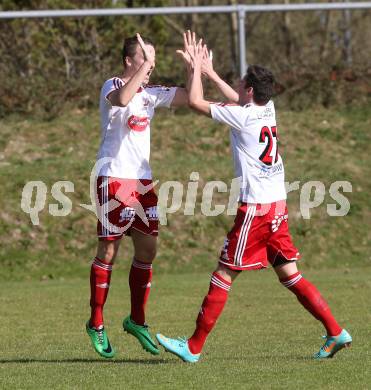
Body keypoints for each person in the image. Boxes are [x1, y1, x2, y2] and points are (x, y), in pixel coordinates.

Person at [156, 34, 352, 362]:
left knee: (223, 273)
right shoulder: (266, 108)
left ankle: (192, 347)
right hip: (277, 206)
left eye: (240, 81)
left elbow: (195, 102)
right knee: (290, 275)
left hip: (256, 210)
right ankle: (335, 332)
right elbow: (238, 99)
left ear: (249, 90)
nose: (237, 83)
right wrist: (213, 74)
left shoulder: (243, 117)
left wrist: (194, 71)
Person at [86, 33, 190, 358]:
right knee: (108, 252)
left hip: (142, 184)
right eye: (144, 58)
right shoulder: (112, 85)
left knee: (148, 250)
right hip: (113, 178)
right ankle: (96, 322)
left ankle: (136, 320)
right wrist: (145, 66)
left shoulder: (149, 94)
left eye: (152, 59)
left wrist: (194, 69)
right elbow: (120, 100)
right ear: (129, 60)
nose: (151, 65)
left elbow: (189, 97)